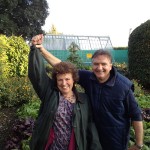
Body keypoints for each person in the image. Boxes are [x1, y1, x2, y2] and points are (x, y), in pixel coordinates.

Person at [31, 34, 144, 150]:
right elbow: (64, 68)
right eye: (96, 64)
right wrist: (41, 49)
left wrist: (138, 144)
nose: (99, 68)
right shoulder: (89, 78)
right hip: (90, 136)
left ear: (110, 66)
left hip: (114, 140)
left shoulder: (123, 86)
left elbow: (136, 115)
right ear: (92, 65)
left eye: (104, 64)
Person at [28, 40, 102, 150]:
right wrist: (35, 49)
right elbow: (36, 75)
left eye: (67, 79)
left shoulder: (83, 100)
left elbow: (90, 127)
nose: (64, 83)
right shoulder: (50, 95)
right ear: (56, 81)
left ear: (74, 80)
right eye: (60, 80)